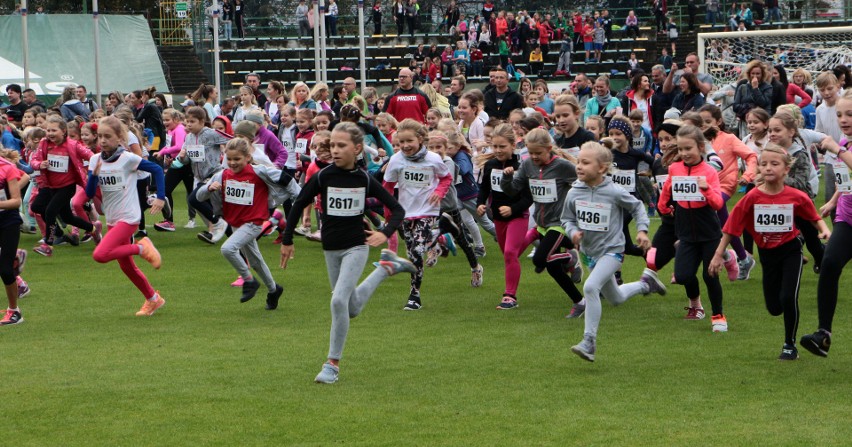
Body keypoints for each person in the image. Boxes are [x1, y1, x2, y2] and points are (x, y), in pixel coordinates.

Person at [709, 143, 829, 360]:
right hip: (767, 255)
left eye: (774, 164)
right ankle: (785, 326)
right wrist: (718, 254)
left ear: (786, 169)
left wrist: (824, 230)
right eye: (763, 164)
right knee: (774, 307)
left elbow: (814, 217)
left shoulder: (796, 196)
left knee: (788, 297)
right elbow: (731, 227)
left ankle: (789, 345)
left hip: (791, 251)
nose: (768, 168)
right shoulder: (752, 198)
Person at [563, 141, 666, 361]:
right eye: (578, 161)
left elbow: (638, 207)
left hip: (613, 251)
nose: (579, 166)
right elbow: (567, 219)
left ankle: (588, 342)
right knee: (616, 298)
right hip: (589, 253)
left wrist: (642, 231)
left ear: (602, 168)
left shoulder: (613, 191)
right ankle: (646, 284)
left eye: (585, 162)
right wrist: (572, 232)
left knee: (590, 288)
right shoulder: (574, 192)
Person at [196, 137, 293, 307]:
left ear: (248, 157)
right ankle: (273, 290)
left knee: (227, 248)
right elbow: (198, 197)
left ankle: (249, 281)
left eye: (237, 159)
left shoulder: (258, 172)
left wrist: (300, 196)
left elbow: (284, 177)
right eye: (229, 159)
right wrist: (208, 188)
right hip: (236, 224)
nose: (232, 163)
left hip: (254, 222)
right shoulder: (222, 175)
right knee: (256, 261)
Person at [87, 116, 167, 317]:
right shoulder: (95, 160)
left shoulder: (128, 158)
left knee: (100, 255)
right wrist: (93, 176)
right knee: (127, 267)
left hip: (129, 217)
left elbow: (157, 169)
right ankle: (153, 299)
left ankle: (142, 247)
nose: (103, 140)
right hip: (113, 219)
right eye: (100, 137)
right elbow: (89, 193)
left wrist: (161, 197)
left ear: (120, 137)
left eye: (108, 136)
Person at [501, 128, 585, 317]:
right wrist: (507, 178)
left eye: (538, 153)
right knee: (553, 268)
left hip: (560, 223)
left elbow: (582, 184)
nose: (534, 156)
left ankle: (570, 258)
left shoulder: (563, 166)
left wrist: (575, 207)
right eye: (531, 152)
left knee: (540, 259)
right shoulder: (527, 165)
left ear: (549, 148)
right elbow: (513, 190)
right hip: (541, 223)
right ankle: (580, 302)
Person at [658, 124, 728, 332]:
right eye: (680, 149)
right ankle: (696, 304)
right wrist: (664, 206)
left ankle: (718, 316)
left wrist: (706, 189)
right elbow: (666, 195)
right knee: (683, 275)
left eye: (688, 148)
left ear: (700, 148)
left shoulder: (709, 171)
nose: (684, 153)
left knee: (710, 275)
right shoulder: (674, 168)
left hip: (708, 230)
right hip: (685, 230)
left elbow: (718, 204)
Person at [799, 94, 852, 356]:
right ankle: (823, 334)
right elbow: (847, 180)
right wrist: (833, 200)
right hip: (848, 218)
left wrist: (838, 150)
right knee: (830, 263)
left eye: (850, 115)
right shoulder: (845, 142)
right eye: (840, 115)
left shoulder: (841, 147)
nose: (843, 120)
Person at [382, 119, 453, 310]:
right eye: (401, 142)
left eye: (409, 141)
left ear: (420, 139)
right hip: (405, 211)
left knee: (416, 251)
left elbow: (446, 177)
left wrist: (438, 192)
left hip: (427, 210)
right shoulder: (396, 160)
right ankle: (440, 238)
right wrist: (388, 212)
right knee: (412, 252)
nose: (405, 146)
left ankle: (414, 295)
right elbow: (387, 187)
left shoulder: (433, 158)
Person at [698, 104, 758, 279]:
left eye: (708, 121)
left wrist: (748, 175)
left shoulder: (729, 139)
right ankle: (741, 257)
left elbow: (751, 156)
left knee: (716, 213)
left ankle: (732, 256)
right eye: (701, 122)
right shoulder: (697, 139)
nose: (704, 125)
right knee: (720, 221)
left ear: (719, 121)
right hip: (704, 186)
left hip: (724, 185)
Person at [476, 123, 533, 309]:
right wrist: (480, 203)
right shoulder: (491, 165)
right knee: (510, 254)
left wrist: (513, 209)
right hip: (498, 218)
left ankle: (510, 296)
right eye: (495, 146)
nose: (498, 150)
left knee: (510, 253)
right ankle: (535, 235)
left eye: (502, 146)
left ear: (513, 146)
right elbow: (484, 187)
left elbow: (529, 197)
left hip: (518, 216)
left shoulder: (521, 166)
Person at [30, 116, 99, 257]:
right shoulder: (44, 143)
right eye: (48, 130)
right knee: (65, 217)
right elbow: (34, 160)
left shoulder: (72, 145)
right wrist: (39, 164)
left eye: (53, 130)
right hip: (49, 186)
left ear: (63, 131)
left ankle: (47, 245)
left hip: (67, 186)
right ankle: (92, 228)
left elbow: (91, 156)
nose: (50, 133)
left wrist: (93, 170)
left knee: (50, 211)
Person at [425, 131, 483, 285]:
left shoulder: (447, 161)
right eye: (432, 147)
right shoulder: (425, 161)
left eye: (439, 146)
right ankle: (434, 247)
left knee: (462, 240)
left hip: (449, 205)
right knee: (426, 231)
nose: (436, 150)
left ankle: (476, 268)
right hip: (432, 206)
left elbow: (446, 180)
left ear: (445, 148)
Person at [179, 107, 231, 244]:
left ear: (202, 122)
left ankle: (216, 225)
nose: (189, 124)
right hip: (198, 177)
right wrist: (181, 157)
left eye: (192, 121)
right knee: (208, 207)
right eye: (187, 121)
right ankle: (225, 234)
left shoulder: (210, 134)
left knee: (194, 199)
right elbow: (187, 159)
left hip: (213, 174)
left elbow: (231, 139)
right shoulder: (188, 137)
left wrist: (228, 153)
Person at [0, 149, 29, 326]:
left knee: (4, 270)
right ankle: (14, 257)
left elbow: (16, 201)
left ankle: (14, 311)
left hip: (8, 222)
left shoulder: (6, 168)